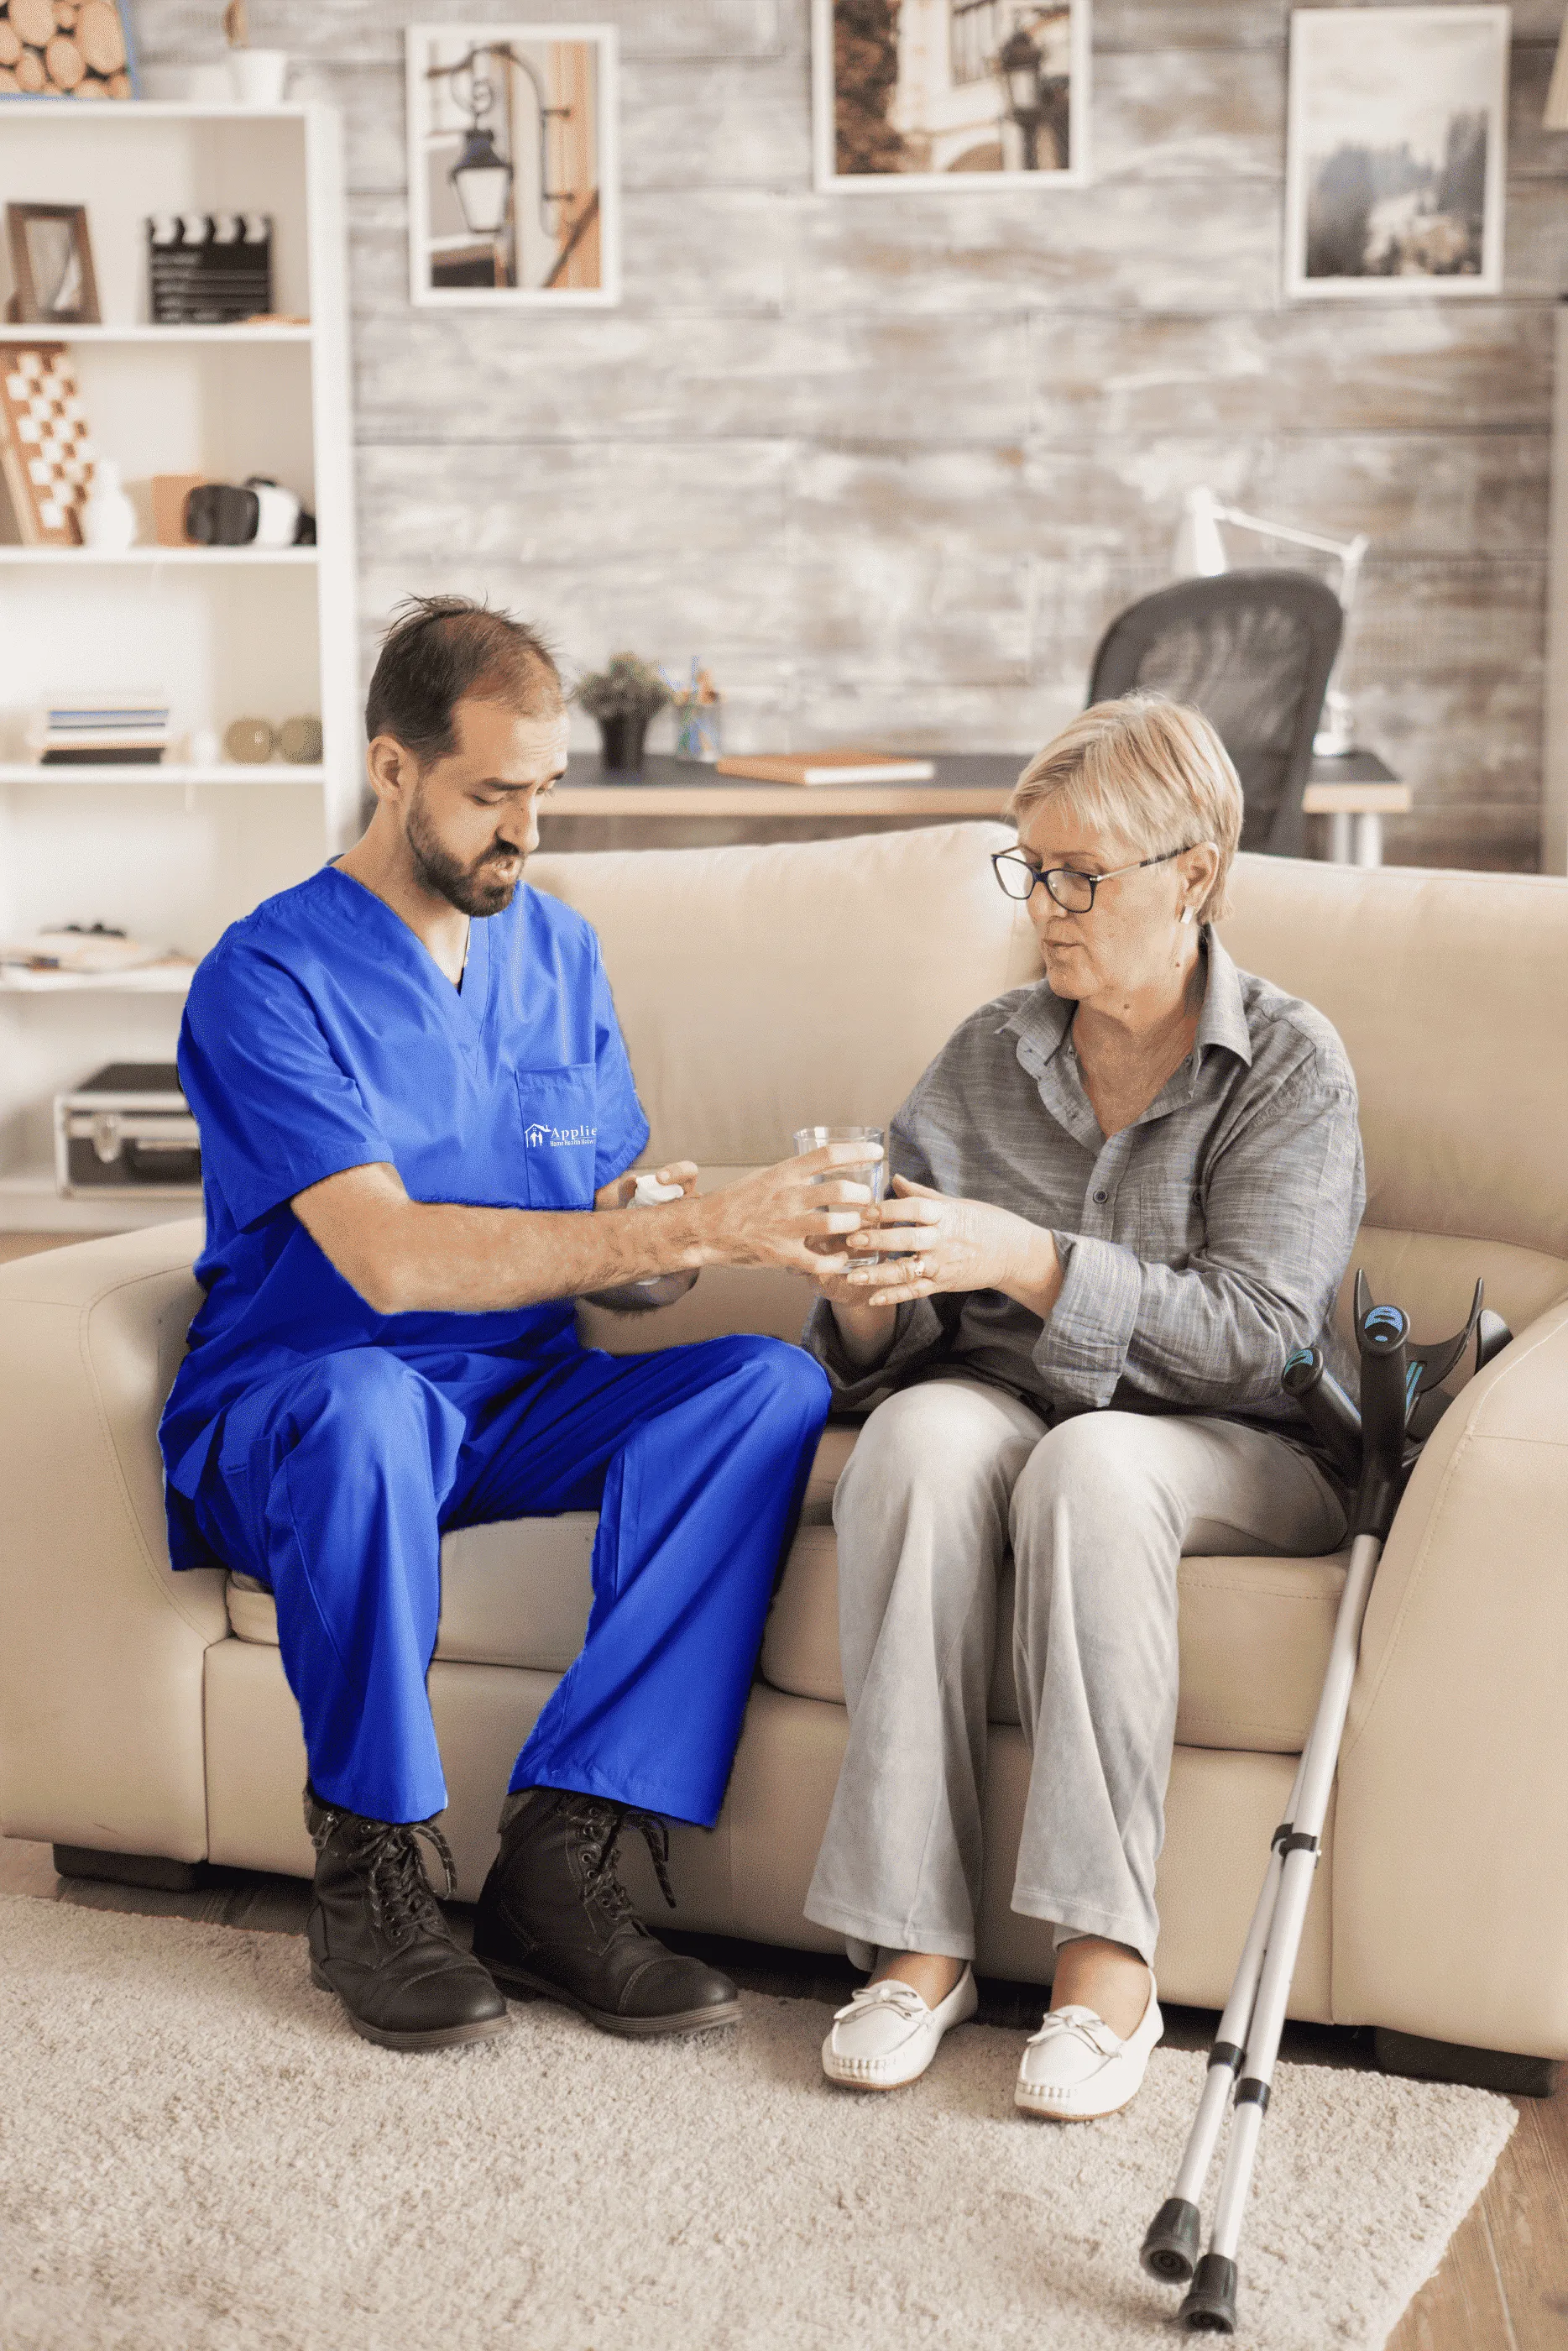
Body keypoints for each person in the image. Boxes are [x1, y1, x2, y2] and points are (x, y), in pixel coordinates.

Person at [159, 596, 872, 2055]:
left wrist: (668, 1250)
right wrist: (675, 1228)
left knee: (764, 1388)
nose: (524, 834)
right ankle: (371, 1873)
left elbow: (602, 1231)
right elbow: (389, 1260)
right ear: (393, 769)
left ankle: (565, 1859)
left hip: (514, 1404)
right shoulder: (266, 978)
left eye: (542, 795)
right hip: (311, 1402)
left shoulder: (560, 955)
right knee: (368, 1411)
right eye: (492, 796)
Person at [802, 694, 1364, 2121]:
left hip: (1244, 1442)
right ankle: (915, 1946)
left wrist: (1034, 1259)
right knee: (919, 1443)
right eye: (1027, 867)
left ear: (1193, 874)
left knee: (1095, 1470)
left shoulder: (1291, 1066)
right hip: (1005, 1402)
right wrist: (863, 1276)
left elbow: (1259, 1337)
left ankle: (1104, 1966)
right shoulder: (992, 1048)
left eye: (1079, 874)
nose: (1043, 906)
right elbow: (890, 1342)